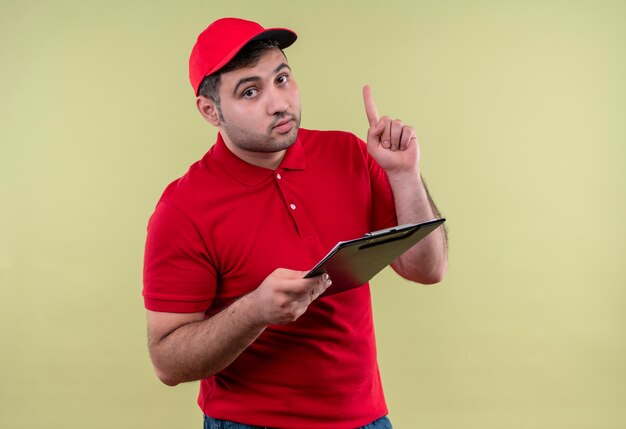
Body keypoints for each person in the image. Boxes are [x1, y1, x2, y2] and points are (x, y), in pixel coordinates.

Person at [142, 17, 448, 429]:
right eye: (250, 91)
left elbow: (427, 269)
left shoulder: (350, 154)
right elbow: (167, 362)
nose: (278, 102)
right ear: (210, 111)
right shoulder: (183, 208)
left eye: (282, 79)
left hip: (365, 420)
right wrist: (255, 311)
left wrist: (403, 174)